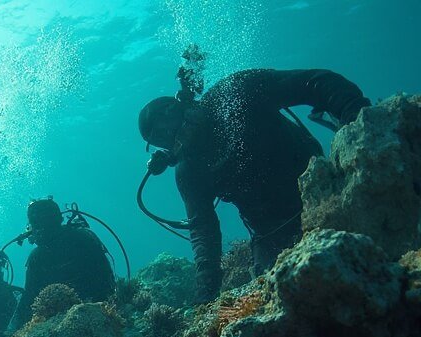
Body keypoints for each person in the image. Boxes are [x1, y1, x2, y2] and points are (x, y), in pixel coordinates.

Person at [138, 68, 371, 301]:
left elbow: (316, 82)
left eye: (167, 130)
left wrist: (360, 125)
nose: (173, 141)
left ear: (180, 108)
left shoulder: (236, 93)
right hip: (271, 232)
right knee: (274, 295)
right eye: (161, 141)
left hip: (325, 189)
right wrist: (205, 295)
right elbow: (203, 232)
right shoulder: (189, 171)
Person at [10, 198, 116, 329]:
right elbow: (108, 279)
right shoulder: (84, 237)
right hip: (101, 313)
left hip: (64, 324)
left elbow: (28, 300)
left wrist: (12, 331)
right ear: (59, 218)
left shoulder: (37, 257)